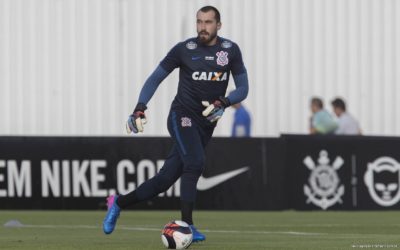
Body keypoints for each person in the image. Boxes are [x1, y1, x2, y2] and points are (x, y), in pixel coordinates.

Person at [102, 6, 249, 242]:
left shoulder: (230, 51)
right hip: (181, 115)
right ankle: (188, 226)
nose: (203, 27)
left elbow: (243, 89)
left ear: (218, 25)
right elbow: (155, 78)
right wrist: (140, 106)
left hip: (205, 124)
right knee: (195, 162)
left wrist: (225, 100)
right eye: (199, 22)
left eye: (208, 22)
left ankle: (118, 203)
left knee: (164, 180)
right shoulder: (184, 50)